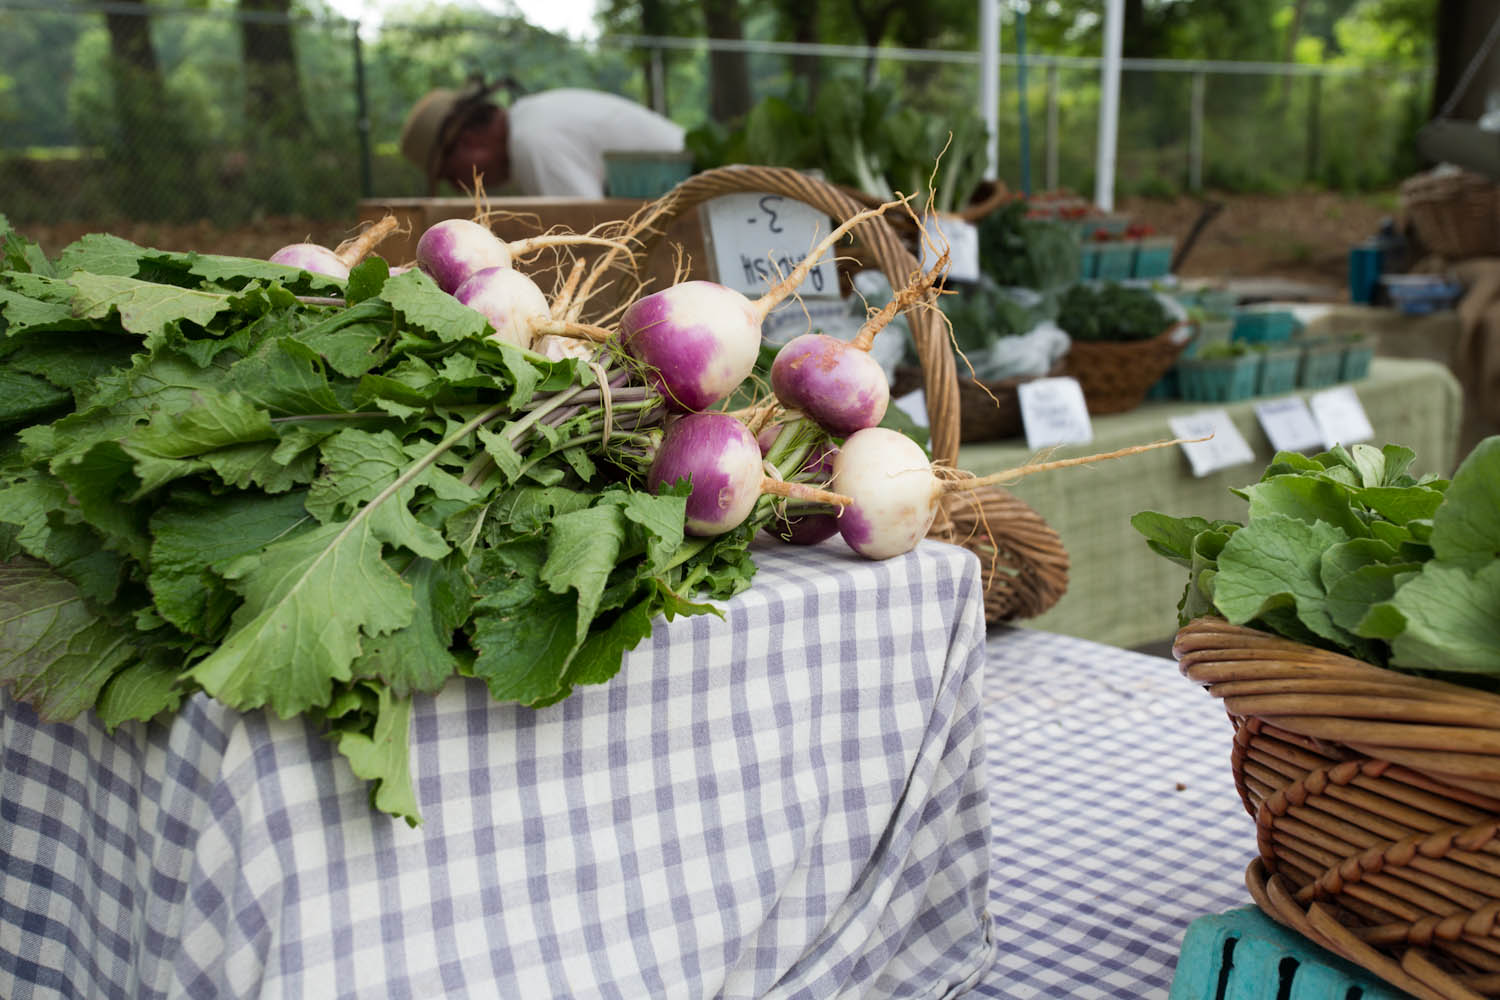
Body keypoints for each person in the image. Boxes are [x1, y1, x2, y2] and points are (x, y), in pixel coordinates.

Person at [399, 78, 685, 198]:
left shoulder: (531, 144)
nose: (460, 188)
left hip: (709, 197)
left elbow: (593, 236)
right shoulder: (531, 118)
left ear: (469, 141)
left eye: (451, 175)